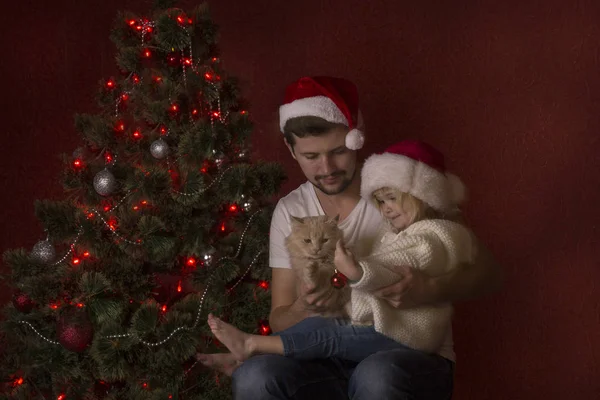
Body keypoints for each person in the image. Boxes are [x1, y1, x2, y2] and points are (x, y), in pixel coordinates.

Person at [197, 76, 502, 399]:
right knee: (254, 375)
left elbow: (483, 270)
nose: (327, 167)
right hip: (325, 359)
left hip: (405, 352)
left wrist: (430, 287)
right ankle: (252, 351)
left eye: (338, 151)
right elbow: (280, 319)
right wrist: (303, 306)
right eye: (311, 157)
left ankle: (255, 348)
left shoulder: (397, 189)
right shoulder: (292, 212)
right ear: (291, 148)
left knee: (375, 376)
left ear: (357, 139)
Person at [204, 139, 475, 367]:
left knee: (330, 336)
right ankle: (252, 349)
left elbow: (391, 270)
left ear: (423, 196)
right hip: (386, 324)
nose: (386, 209)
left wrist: (354, 269)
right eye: (381, 201)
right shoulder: (394, 231)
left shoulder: (437, 235)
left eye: (393, 199)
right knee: (322, 329)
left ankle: (253, 344)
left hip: (410, 334)